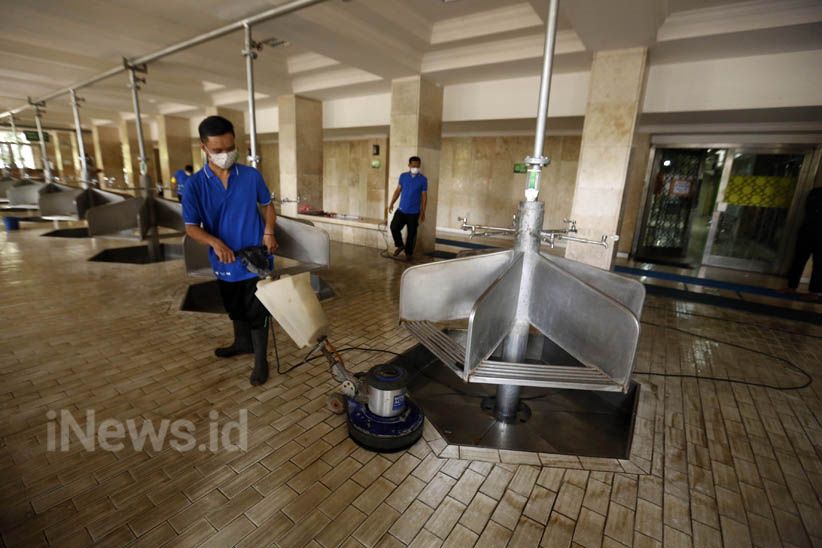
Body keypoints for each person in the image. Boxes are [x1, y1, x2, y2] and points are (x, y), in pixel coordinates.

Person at [182, 116, 278, 385]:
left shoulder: (250, 176)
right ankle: (241, 343)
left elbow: (267, 205)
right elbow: (191, 227)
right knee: (234, 307)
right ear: (204, 148)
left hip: (256, 258)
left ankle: (261, 360)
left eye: (230, 148)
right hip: (225, 260)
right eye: (218, 150)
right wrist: (214, 242)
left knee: (258, 310)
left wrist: (269, 231)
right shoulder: (194, 186)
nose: (226, 154)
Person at [388, 156, 427, 260]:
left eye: (417, 166)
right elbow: (398, 191)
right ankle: (400, 245)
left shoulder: (423, 180)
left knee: (411, 234)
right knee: (394, 227)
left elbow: (424, 196)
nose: (415, 168)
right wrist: (391, 203)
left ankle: (408, 254)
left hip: (414, 213)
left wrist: (423, 211)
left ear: (419, 166)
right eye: (413, 166)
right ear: (409, 165)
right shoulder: (403, 176)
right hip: (401, 210)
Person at [786, 187, 822, 301]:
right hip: (807, 230)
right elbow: (809, 210)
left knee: (819, 263)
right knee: (798, 258)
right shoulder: (815, 192)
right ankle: (791, 286)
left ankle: (814, 292)